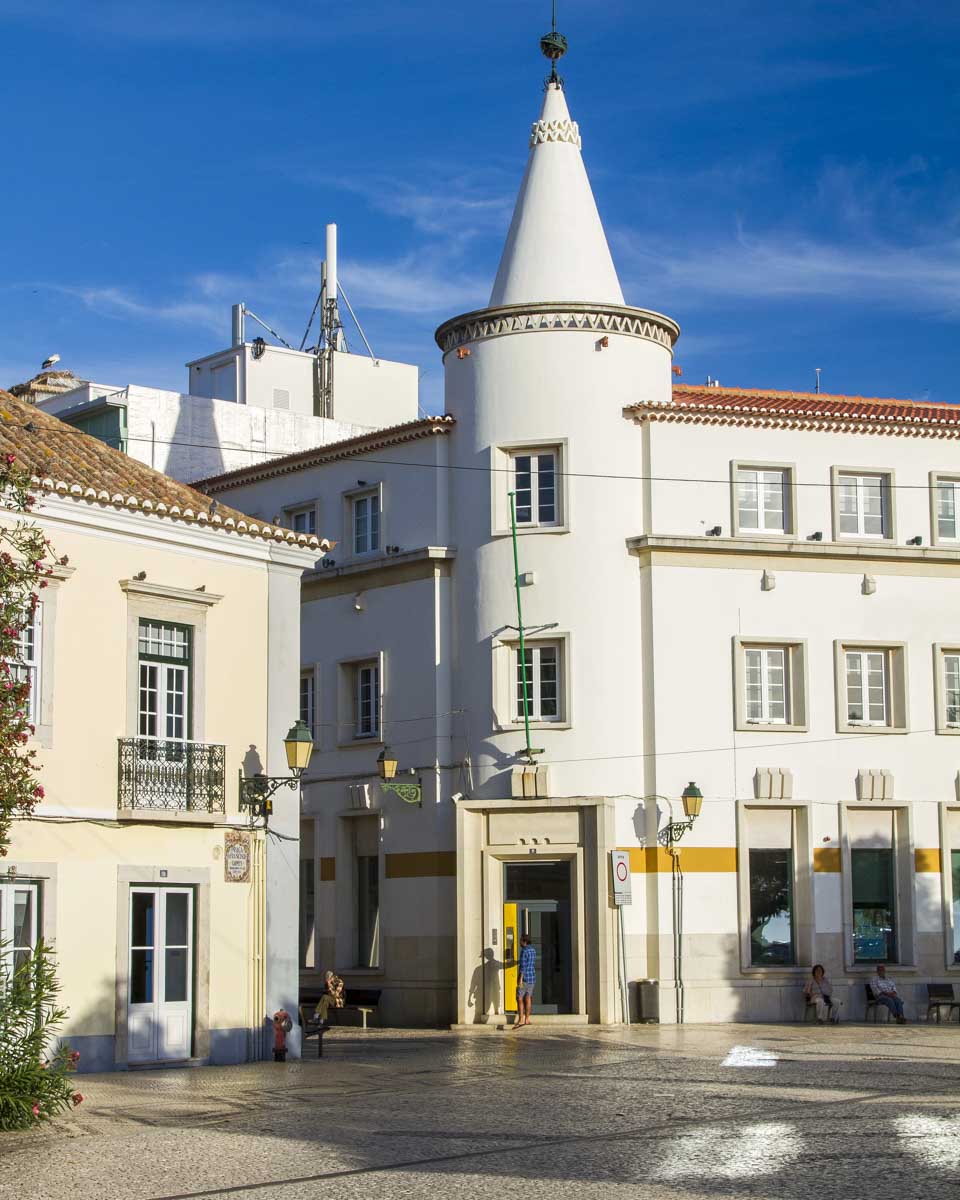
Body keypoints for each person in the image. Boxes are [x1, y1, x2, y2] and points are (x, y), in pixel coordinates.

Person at [513, 934, 536, 1029]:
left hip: (524, 978)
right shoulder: (533, 950)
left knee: (519, 998)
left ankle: (520, 1020)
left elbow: (523, 967)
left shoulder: (524, 951)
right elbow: (529, 962)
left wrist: (520, 980)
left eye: (520, 941)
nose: (519, 943)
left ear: (524, 941)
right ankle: (527, 1019)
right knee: (528, 998)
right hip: (532, 977)